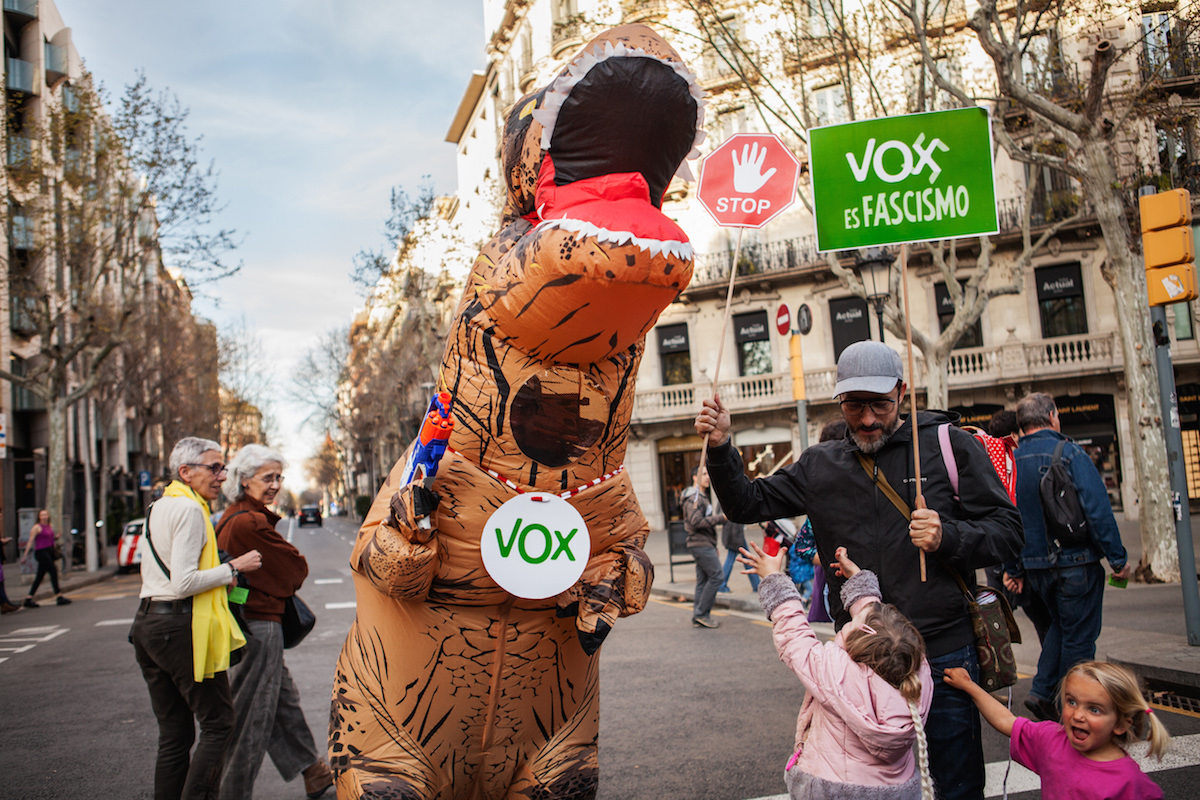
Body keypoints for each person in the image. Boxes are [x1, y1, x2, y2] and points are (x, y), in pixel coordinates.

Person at [696, 339, 1023, 800]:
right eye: (854, 406)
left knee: (956, 785)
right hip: (861, 665)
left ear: (902, 393)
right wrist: (721, 446)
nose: (868, 419)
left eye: (879, 405)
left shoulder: (950, 446)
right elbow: (746, 503)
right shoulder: (819, 464)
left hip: (946, 653)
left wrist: (948, 536)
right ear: (839, 401)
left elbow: (1009, 532)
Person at [740, 540, 933, 799]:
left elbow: (795, 637)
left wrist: (774, 579)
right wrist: (859, 582)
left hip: (833, 787)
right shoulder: (918, 673)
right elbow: (882, 628)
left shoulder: (835, 672)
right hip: (897, 790)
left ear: (857, 647)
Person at [130, 436, 263, 800]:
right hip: (179, 626)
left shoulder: (161, 506)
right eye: (214, 467)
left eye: (224, 467)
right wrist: (234, 566)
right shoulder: (190, 511)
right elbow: (184, 581)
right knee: (219, 724)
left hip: (148, 626)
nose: (222, 476)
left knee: (175, 734)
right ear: (185, 472)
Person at [216, 444, 333, 800]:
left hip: (250, 620)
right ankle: (232, 791)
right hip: (260, 624)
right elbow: (294, 568)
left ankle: (314, 772)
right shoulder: (250, 522)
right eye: (268, 477)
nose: (275, 484)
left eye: (278, 477)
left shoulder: (232, 516)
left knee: (283, 702)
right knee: (254, 711)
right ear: (244, 480)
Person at [1005, 392, 1131, 723]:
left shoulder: (1012, 463)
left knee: (1061, 627)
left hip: (1034, 569)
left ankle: (1043, 692)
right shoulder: (1069, 453)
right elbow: (1098, 511)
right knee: (1078, 639)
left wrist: (1012, 568)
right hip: (1075, 563)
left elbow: (1007, 520)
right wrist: (1117, 558)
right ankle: (1070, 707)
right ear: (1052, 417)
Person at [944, 661, 1168, 798]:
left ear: (1121, 724)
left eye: (1095, 709)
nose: (1078, 715)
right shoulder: (1052, 739)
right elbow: (1006, 720)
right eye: (1071, 702)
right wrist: (969, 686)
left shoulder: (1129, 782)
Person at [983, 411, 1051, 645]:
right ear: (1014, 435)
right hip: (1016, 563)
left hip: (999, 563)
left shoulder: (984, 465)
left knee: (999, 621)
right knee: (1048, 628)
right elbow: (1014, 520)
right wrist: (1012, 570)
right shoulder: (1013, 467)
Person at [682, 464, 726, 629]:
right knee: (717, 576)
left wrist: (713, 545)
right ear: (695, 477)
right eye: (704, 474)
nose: (708, 477)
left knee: (703, 580)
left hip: (704, 543)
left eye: (708, 474)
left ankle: (698, 615)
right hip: (699, 543)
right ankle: (701, 614)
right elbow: (696, 521)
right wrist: (721, 518)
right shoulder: (694, 498)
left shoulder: (701, 496)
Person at [20, 508, 70, 607]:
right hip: (41, 552)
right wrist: (25, 556)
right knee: (53, 571)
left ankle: (28, 598)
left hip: (49, 551)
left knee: (39, 577)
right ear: (39, 517)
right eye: (42, 515)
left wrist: (56, 538)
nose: (44, 516)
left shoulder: (49, 526)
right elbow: (30, 541)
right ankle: (58, 596)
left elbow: (50, 539)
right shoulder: (36, 527)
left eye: (45, 514)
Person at [719, 516, 758, 593]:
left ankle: (756, 585)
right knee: (732, 559)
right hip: (735, 535)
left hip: (734, 535)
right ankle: (721, 585)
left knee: (746, 559)